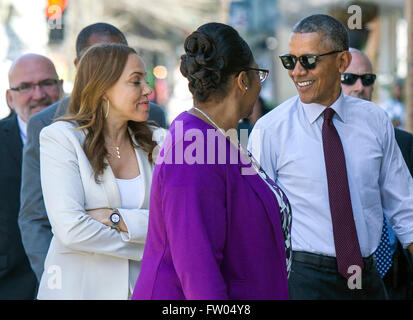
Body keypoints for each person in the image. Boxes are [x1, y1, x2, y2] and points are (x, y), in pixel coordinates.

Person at [250, 14, 413, 300]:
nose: (296, 71)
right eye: (290, 61)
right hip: (304, 279)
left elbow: (404, 205)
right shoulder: (270, 129)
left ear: (341, 62)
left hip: (368, 278)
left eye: (309, 61)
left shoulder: (375, 120)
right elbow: (254, 219)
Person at [132, 22, 290, 300]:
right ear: (243, 80)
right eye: (259, 76)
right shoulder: (193, 147)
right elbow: (198, 271)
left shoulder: (218, 136)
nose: (258, 87)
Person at [18, 23, 166, 283]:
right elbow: (66, 228)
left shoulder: (158, 137)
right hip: (81, 286)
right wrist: (53, 276)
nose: (147, 90)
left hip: (148, 286)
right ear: (101, 83)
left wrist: (115, 218)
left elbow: (180, 221)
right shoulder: (57, 134)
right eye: (135, 81)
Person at [341, 47, 413, 299]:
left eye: (367, 79)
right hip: (342, 277)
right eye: (348, 79)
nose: (359, 87)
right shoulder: (320, 141)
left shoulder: (404, 143)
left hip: (398, 275)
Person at [0, 53, 63, 299]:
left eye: (46, 83)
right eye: (25, 87)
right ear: (10, 98)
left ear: (60, 86)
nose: (38, 95)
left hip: (77, 278)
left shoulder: (87, 135)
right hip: (10, 283)